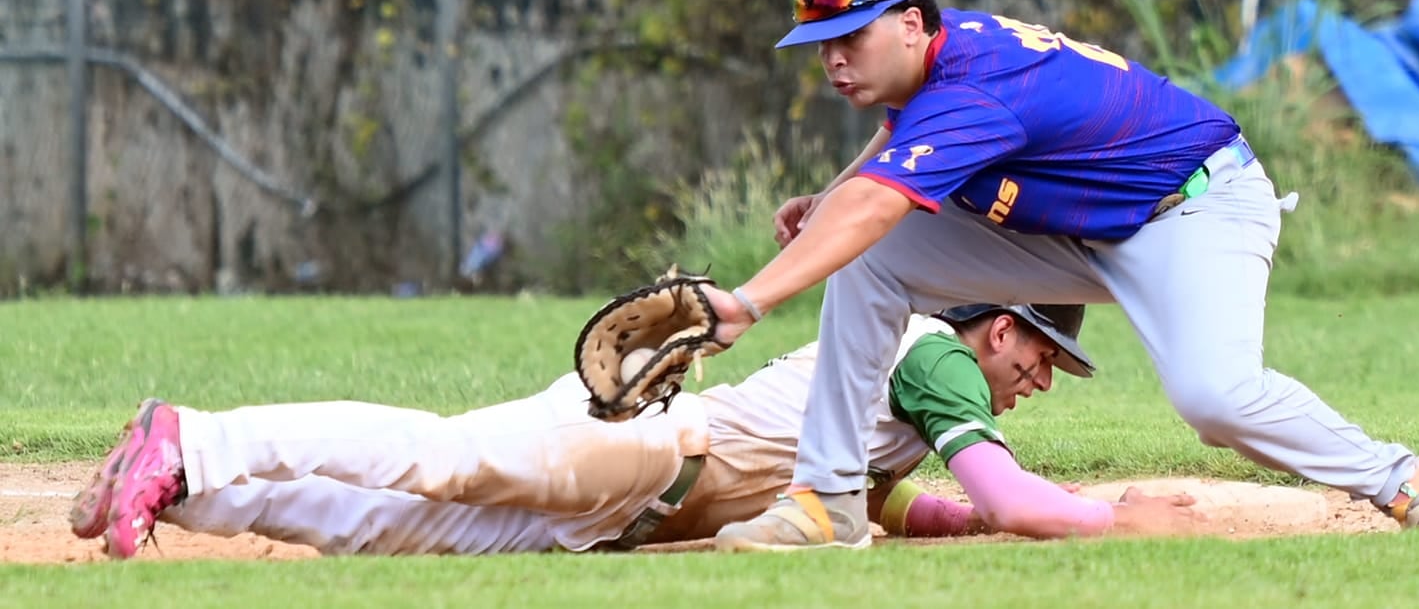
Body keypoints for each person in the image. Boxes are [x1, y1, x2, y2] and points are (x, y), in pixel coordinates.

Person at [702, 0, 1419, 552]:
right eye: (822, 42)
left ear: (911, 23)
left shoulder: (974, 85)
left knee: (1214, 397)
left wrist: (746, 301)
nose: (834, 58)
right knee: (870, 258)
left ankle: (1406, 480)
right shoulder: (941, 62)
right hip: (1079, 231)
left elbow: (880, 198)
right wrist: (829, 200)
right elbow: (892, 146)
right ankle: (828, 498)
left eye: (852, 35)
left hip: (1195, 211)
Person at [69, 304, 1200, 559]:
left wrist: (950, 530)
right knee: (444, 456)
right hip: (655, 448)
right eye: (1042, 352)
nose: (1043, 378)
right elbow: (1010, 498)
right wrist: (1115, 519)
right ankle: (195, 436)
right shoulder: (938, 352)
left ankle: (180, 487)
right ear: (998, 328)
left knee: (383, 534)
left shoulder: (919, 391)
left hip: (624, 517)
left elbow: (894, 499)